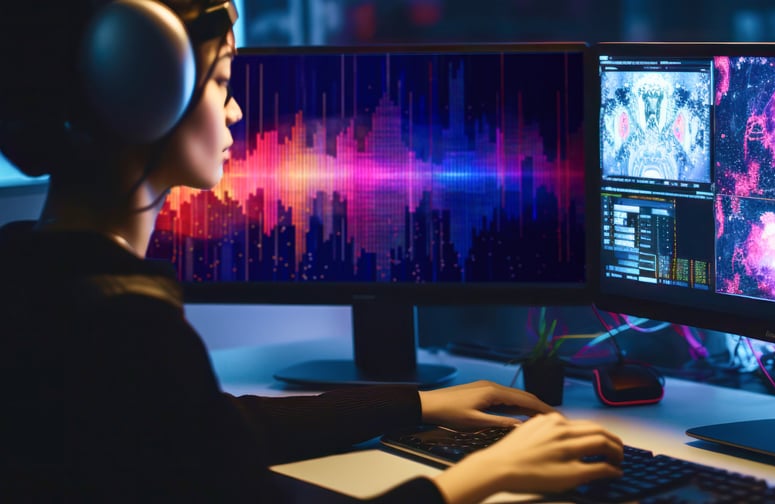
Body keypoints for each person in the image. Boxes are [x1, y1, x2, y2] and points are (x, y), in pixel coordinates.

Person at [0, 1, 624, 502]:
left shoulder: (33, 276)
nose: (238, 109)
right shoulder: (129, 326)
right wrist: (480, 478)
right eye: (221, 83)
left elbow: (211, 432)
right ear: (146, 99)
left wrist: (418, 404)